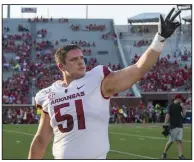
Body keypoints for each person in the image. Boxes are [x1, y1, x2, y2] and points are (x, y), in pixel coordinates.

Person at [28, 8, 181, 159]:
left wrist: (160, 38)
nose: (81, 62)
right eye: (74, 60)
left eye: (82, 58)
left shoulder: (97, 80)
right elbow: (41, 139)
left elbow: (138, 69)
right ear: (61, 66)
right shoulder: (47, 94)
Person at [162, 94, 186, 159]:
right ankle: (164, 152)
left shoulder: (180, 106)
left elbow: (184, 115)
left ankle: (180, 155)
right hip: (173, 126)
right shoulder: (171, 106)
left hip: (180, 126)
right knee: (171, 141)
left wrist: (183, 108)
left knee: (179, 141)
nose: (182, 100)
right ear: (177, 98)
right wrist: (165, 124)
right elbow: (167, 115)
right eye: (181, 99)